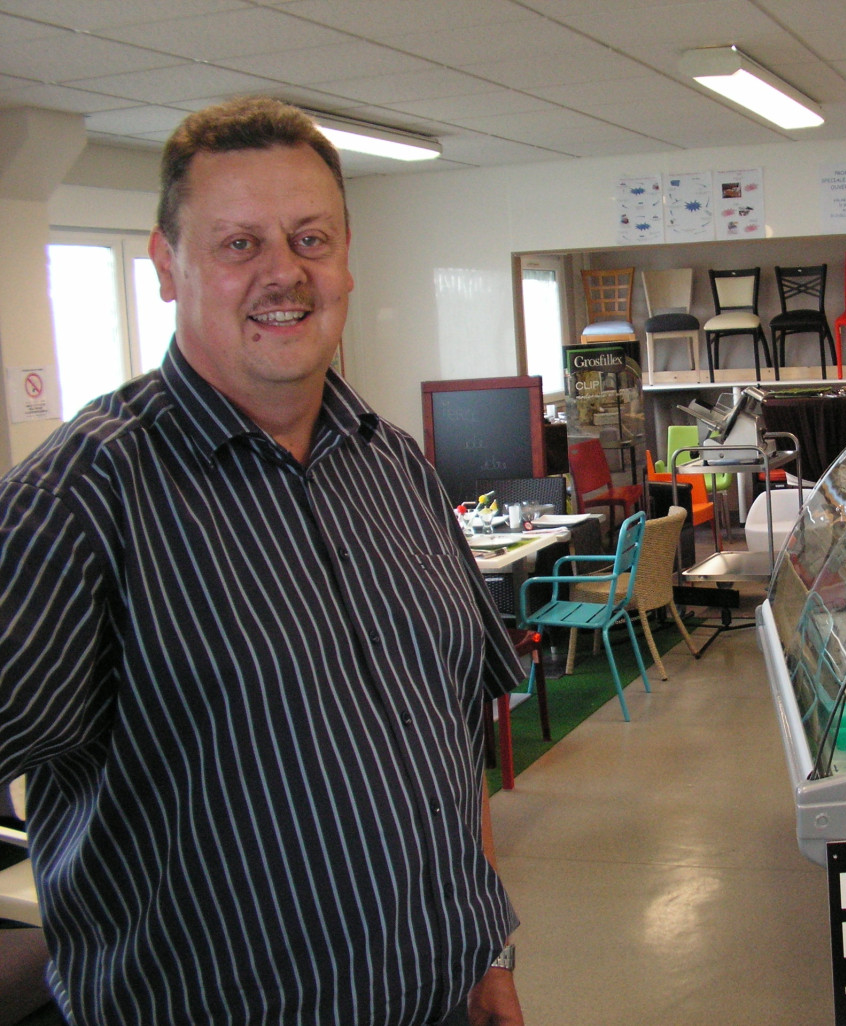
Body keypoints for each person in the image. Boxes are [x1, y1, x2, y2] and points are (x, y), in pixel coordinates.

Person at [0, 97, 524, 1026]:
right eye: (238, 244)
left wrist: (487, 955)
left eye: (310, 238)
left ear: (347, 259)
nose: (285, 274)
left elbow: (449, 731)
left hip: (447, 999)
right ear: (167, 265)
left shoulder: (395, 465)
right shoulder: (79, 503)